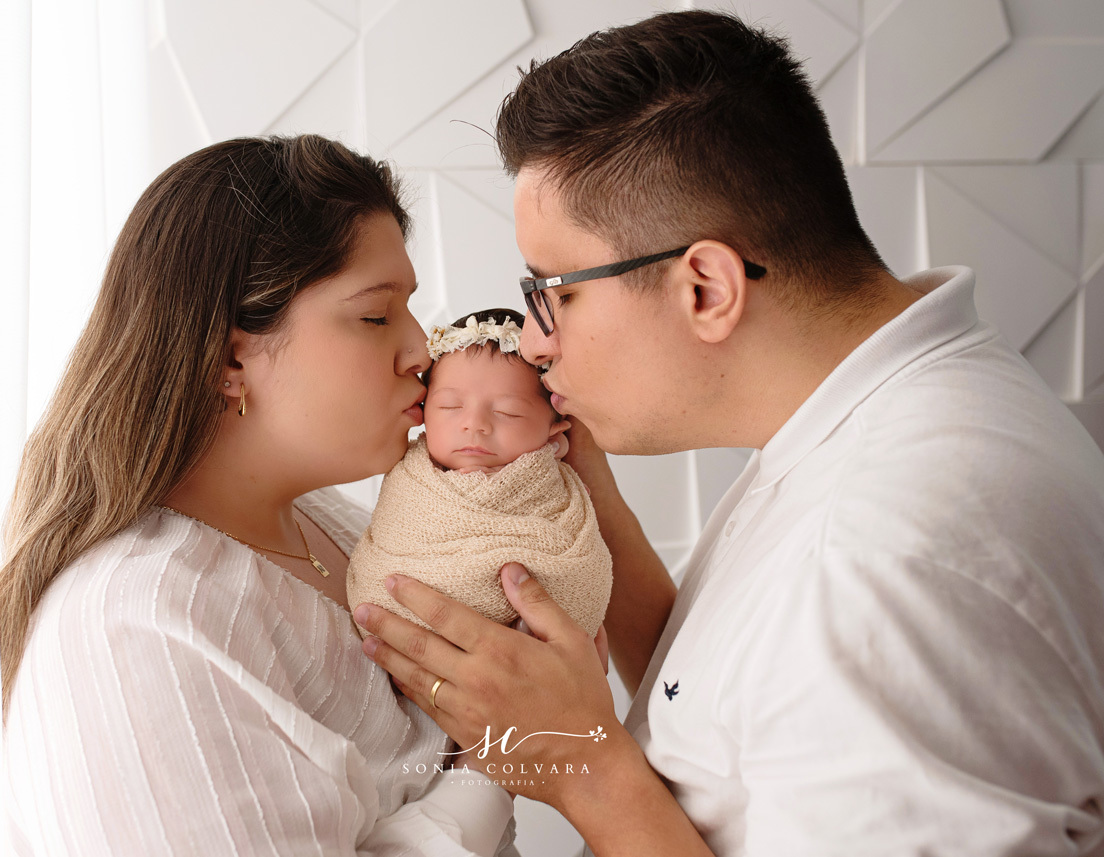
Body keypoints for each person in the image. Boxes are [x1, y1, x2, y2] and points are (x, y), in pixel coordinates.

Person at [352, 10, 1104, 857]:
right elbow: (736, 702)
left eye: (554, 292)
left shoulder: (878, 561)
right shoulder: (887, 410)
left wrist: (580, 767)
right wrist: (587, 508)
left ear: (705, 286)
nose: (532, 342)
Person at [0, 135, 518, 856]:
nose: (420, 351)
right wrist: (497, 757)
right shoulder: (138, 625)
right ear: (229, 357)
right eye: (375, 315)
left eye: (409, 308)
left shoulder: (329, 525)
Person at [346, 308, 611, 638]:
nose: (475, 424)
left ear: (555, 430)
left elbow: (581, 573)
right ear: (424, 412)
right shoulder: (409, 481)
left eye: (507, 412)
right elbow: (384, 556)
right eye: (450, 407)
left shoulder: (557, 497)